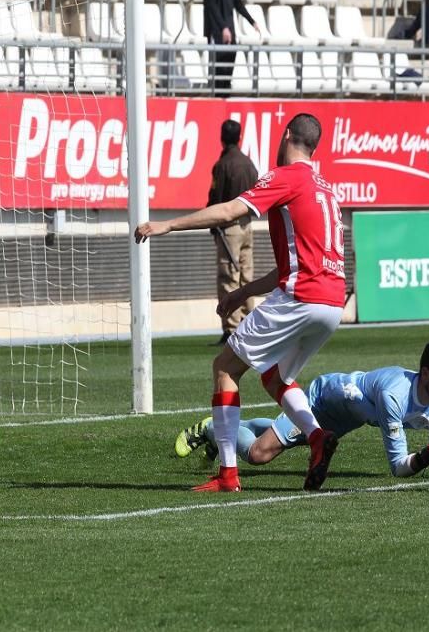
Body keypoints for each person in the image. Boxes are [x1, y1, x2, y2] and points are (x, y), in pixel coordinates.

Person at [135, 113, 345, 493]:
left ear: (285, 137)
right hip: (331, 304)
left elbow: (231, 209)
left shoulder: (286, 176)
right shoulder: (327, 189)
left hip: (302, 296)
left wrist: (167, 225)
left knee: (225, 367)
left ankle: (228, 474)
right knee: (275, 376)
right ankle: (316, 436)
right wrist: (243, 293)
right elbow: (291, 266)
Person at [174, 338, 429, 479]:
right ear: (425, 374)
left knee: (291, 439)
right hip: (326, 399)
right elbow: (399, 467)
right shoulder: (394, 395)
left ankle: (231, 427)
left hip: (351, 418)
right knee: (259, 454)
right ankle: (212, 428)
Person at [207, 119, 258, 346]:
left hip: (229, 228)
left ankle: (231, 329)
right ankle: (249, 325)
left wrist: (212, 225)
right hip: (248, 225)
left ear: (220, 137)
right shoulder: (249, 164)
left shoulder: (223, 165)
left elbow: (216, 200)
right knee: (247, 277)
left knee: (229, 277)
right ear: (239, 137)